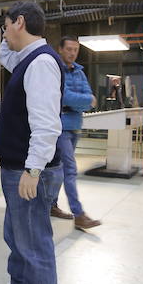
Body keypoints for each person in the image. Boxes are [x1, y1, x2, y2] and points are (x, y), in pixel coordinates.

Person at [0, 0, 64, 284]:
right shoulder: (26, 59)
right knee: (16, 239)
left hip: (30, 172)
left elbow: (47, 126)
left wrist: (33, 169)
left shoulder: (42, 63)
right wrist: (10, 31)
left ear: (20, 22)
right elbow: (6, 54)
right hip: (18, 168)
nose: (4, 33)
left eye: (7, 25)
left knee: (34, 245)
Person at [49, 36, 102, 230]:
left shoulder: (79, 72)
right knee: (69, 169)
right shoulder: (55, 69)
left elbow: (89, 96)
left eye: (75, 50)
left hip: (75, 125)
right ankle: (79, 214)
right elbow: (64, 96)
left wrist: (81, 100)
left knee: (60, 170)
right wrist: (85, 100)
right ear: (60, 49)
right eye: (69, 49)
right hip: (61, 126)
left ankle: (51, 204)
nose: (72, 53)